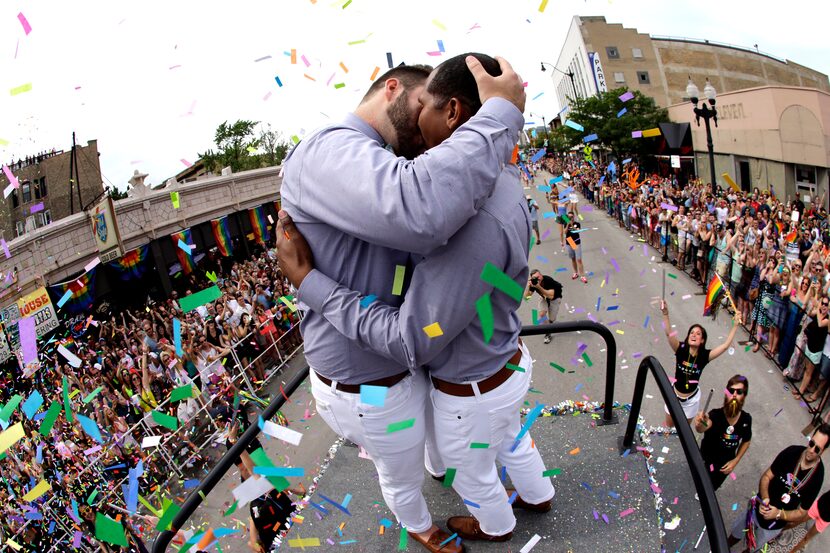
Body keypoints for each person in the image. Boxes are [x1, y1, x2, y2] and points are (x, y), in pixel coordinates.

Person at [278, 53, 554, 545]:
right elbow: (431, 218)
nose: (423, 148)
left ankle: (498, 526)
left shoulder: (468, 207)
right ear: (391, 90)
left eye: (431, 105)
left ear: (452, 114)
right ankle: (503, 504)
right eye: (419, 100)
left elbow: (412, 340)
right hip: (444, 374)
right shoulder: (499, 182)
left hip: (454, 380)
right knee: (439, 459)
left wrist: (310, 284)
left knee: (468, 469)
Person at [728, 425, 828, 552]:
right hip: (756, 509)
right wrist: (765, 497)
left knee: (751, 549)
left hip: (774, 526)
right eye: (811, 443)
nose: (811, 450)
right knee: (735, 535)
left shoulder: (818, 477)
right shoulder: (792, 452)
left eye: (817, 449)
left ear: (823, 451)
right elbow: (766, 476)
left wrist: (778, 514)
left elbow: (802, 512)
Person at [659, 300, 741, 427]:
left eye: (698, 334)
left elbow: (725, 346)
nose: (694, 335)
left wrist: (735, 325)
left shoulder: (704, 356)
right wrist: (665, 313)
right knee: (669, 428)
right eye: (691, 332)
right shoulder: (680, 349)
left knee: (683, 432)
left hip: (691, 401)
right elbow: (668, 333)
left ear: (702, 340)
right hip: (674, 396)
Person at [693, 375, 752, 490]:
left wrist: (736, 460)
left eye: (739, 392)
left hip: (724, 466)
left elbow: (746, 440)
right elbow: (703, 427)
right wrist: (700, 423)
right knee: (699, 484)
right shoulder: (715, 415)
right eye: (731, 391)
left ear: (744, 396)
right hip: (706, 461)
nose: (734, 395)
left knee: (712, 488)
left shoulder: (746, 419)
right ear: (726, 393)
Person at [527, 269, 563, 344]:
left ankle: (550, 323)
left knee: (552, 319)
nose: (538, 278)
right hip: (543, 297)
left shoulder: (548, 280)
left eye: (539, 276)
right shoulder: (534, 283)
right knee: (542, 314)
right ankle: (548, 333)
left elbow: (551, 296)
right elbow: (527, 297)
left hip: (555, 298)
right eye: (535, 277)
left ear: (541, 275)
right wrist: (528, 287)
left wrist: (538, 287)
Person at [565, 210, 588, 283]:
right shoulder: (566, 223)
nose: (570, 218)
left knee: (579, 259)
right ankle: (575, 272)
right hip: (569, 241)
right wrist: (568, 225)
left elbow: (577, 231)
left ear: (573, 217)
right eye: (568, 217)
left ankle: (583, 276)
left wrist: (571, 225)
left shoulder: (577, 224)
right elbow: (565, 232)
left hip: (576, 241)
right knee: (573, 258)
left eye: (571, 217)